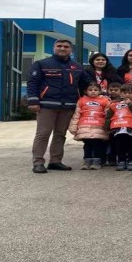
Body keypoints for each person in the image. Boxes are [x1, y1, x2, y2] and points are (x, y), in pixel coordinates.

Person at [27, 39, 90, 173]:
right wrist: (33, 101)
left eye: (66, 46)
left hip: (68, 106)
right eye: (59, 46)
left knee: (60, 134)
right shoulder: (41, 64)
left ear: (71, 49)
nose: (62, 48)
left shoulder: (77, 67)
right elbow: (32, 83)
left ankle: (55, 161)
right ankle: (38, 162)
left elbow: (86, 85)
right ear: (54, 48)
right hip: (46, 106)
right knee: (43, 134)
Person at [67, 82, 110, 170]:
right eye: (90, 90)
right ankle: (87, 160)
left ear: (100, 91)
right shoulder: (82, 100)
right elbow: (76, 115)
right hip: (85, 126)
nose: (93, 92)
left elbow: (108, 115)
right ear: (85, 91)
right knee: (87, 144)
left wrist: (108, 126)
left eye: (95, 90)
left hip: (99, 126)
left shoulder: (105, 100)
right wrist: (73, 127)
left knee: (97, 144)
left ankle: (97, 161)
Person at [106, 84, 132, 172]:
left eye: (130, 93)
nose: (127, 95)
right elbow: (109, 116)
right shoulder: (115, 104)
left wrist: (130, 104)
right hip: (118, 128)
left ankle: (131, 161)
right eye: (125, 93)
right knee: (120, 146)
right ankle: (121, 161)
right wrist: (108, 128)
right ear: (121, 93)